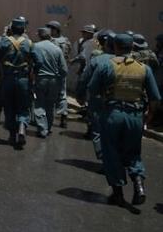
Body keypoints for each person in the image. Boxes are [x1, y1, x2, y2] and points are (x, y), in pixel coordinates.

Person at [88, 33, 160, 206]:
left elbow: (93, 89)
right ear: (132, 47)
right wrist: (149, 116)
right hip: (135, 116)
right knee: (133, 152)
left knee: (111, 152)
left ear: (115, 47)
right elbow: (155, 98)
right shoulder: (144, 68)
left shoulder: (106, 65)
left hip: (112, 114)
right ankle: (139, 185)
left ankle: (118, 193)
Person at [0, 17, 34, 149]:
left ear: (11, 29)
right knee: (23, 107)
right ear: (23, 30)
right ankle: (22, 128)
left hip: (8, 80)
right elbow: (37, 62)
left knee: (9, 107)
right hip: (23, 81)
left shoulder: (3, 42)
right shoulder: (29, 43)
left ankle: (11, 135)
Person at [76, 29, 115, 160]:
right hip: (118, 102)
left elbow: (84, 79)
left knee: (97, 129)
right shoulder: (129, 61)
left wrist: (80, 95)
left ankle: (104, 158)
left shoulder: (97, 58)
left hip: (97, 99)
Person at [31, 27, 68, 138]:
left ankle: (42, 129)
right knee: (50, 105)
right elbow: (64, 69)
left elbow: (31, 64)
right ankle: (49, 127)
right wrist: (59, 80)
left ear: (40, 36)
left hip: (40, 79)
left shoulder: (35, 46)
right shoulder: (57, 49)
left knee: (39, 104)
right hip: (54, 81)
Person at [46, 20, 72, 129]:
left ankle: (49, 119)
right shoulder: (66, 41)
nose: (49, 31)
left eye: (51, 29)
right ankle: (63, 117)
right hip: (62, 70)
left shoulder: (50, 42)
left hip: (52, 71)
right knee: (62, 94)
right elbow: (67, 55)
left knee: (50, 95)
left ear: (56, 30)